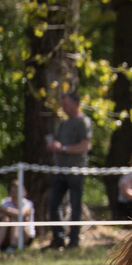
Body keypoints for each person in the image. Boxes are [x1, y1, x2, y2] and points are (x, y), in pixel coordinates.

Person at [45, 89, 92, 249]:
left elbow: (85, 146)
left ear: (75, 104)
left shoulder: (83, 122)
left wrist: (64, 149)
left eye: (65, 104)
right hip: (61, 171)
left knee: (75, 205)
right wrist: (53, 146)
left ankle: (74, 240)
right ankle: (58, 238)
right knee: (53, 203)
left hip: (76, 171)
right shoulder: (63, 124)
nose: (63, 107)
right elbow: (57, 142)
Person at [0, 180, 35, 254]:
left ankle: (13, 247)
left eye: (16, 191)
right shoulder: (6, 202)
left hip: (25, 234)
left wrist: (6, 210)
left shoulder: (27, 203)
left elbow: (20, 214)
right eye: (12, 191)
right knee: (5, 219)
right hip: (8, 234)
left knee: (15, 219)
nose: (14, 194)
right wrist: (8, 214)